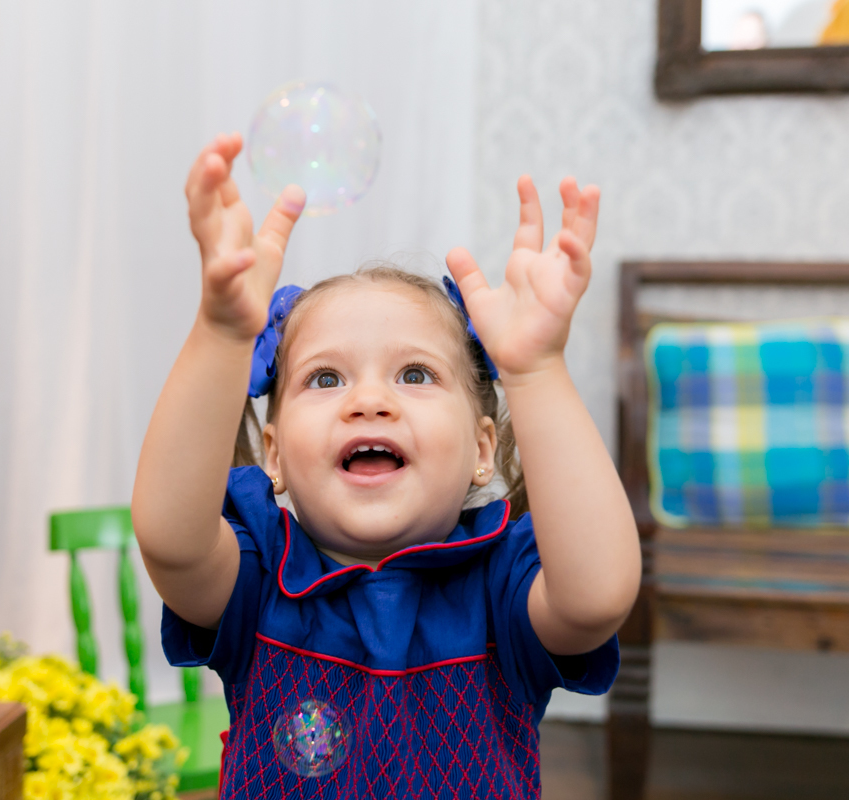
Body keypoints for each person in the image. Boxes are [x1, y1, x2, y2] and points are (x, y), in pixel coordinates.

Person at [132, 131, 642, 798]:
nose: (369, 401)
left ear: (482, 450)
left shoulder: (500, 586)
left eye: (414, 373)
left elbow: (598, 596)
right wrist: (222, 332)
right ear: (276, 456)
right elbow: (171, 539)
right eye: (325, 380)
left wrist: (536, 370)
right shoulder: (258, 579)